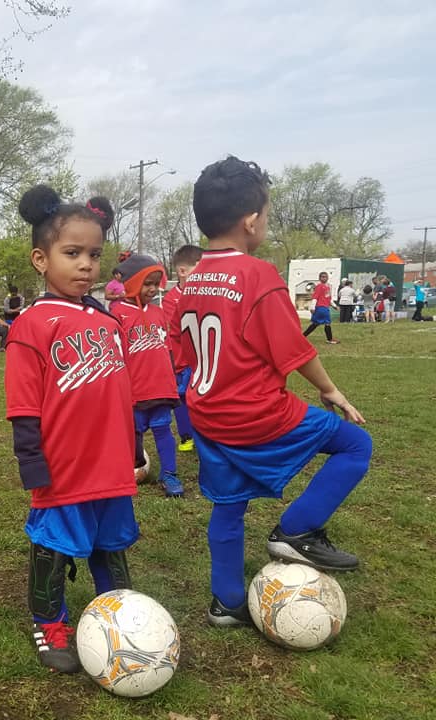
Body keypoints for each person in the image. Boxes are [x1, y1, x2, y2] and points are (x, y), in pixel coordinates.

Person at [171, 156, 371, 628]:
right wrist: (330, 391)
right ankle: (298, 530)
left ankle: (226, 603)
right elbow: (293, 351)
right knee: (354, 444)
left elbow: (183, 353)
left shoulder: (189, 281)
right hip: (256, 414)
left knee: (228, 506)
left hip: (207, 415)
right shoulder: (257, 275)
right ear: (251, 220)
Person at [5, 186, 138, 674]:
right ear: (41, 259)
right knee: (55, 542)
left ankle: (118, 609)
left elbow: (120, 394)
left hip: (111, 461)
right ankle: (49, 621)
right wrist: (32, 461)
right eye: (72, 253)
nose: (86, 264)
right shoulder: (32, 324)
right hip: (63, 466)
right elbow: (23, 404)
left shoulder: (107, 319)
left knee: (112, 539)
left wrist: (133, 445)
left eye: (95, 254)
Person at [110, 251, 185, 497]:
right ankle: (126, 472)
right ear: (131, 283)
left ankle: (170, 474)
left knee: (164, 429)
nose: (153, 289)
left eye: (156, 284)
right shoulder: (117, 313)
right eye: (147, 283)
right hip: (134, 390)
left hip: (161, 386)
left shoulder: (158, 312)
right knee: (133, 433)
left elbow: (167, 349)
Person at [160, 244, 203, 453]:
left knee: (203, 397)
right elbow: (176, 331)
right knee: (183, 399)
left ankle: (204, 433)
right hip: (181, 361)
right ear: (183, 271)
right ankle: (187, 436)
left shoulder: (205, 293)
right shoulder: (171, 299)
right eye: (201, 270)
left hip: (202, 360)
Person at [302, 271, 339, 344]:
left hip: (324, 308)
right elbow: (315, 297)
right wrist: (312, 307)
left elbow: (328, 299)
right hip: (321, 308)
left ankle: (303, 336)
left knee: (315, 323)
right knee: (327, 323)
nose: (324, 278)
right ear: (319, 278)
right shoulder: (319, 286)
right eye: (322, 277)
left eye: (325, 276)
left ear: (328, 278)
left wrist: (334, 306)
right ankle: (330, 339)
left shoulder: (327, 287)